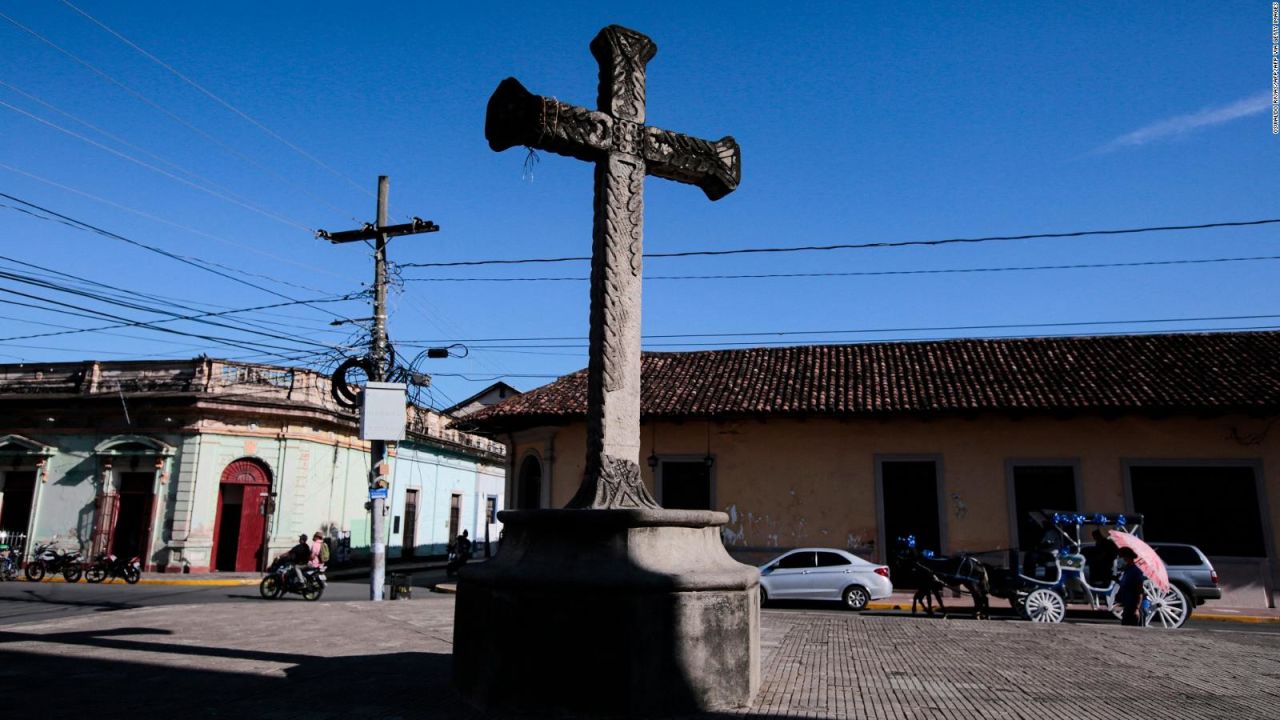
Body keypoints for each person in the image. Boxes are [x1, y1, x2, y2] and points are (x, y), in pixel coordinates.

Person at [1114, 546, 1146, 626]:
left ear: (1127, 557)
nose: (1119, 559)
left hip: (1134, 608)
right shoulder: (1127, 570)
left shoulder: (1136, 572)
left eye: (1120, 556)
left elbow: (1140, 592)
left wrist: (1137, 609)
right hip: (1127, 608)